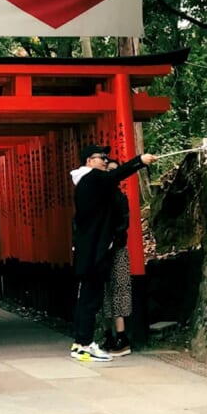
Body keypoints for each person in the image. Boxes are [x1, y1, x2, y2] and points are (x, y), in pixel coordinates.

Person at [69, 145, 156, 362]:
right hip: (94, 253)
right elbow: (117, 174)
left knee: (87, 299)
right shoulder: (92, 178)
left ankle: (80, 343)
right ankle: (85, 345)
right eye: (102, 158)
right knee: (91, 300)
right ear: (89, 160)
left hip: (89, 251)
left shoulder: (87, 183)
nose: (106, 161)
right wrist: (140, 161)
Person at [100, 159, 133, 357]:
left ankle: (121, 335)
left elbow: (123, 223)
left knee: (119, 289)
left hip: (117, 248)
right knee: (102, 292)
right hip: (100, 251)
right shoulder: (96, 197)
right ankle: (108, 334)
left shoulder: (120, 198)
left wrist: (112, 239)